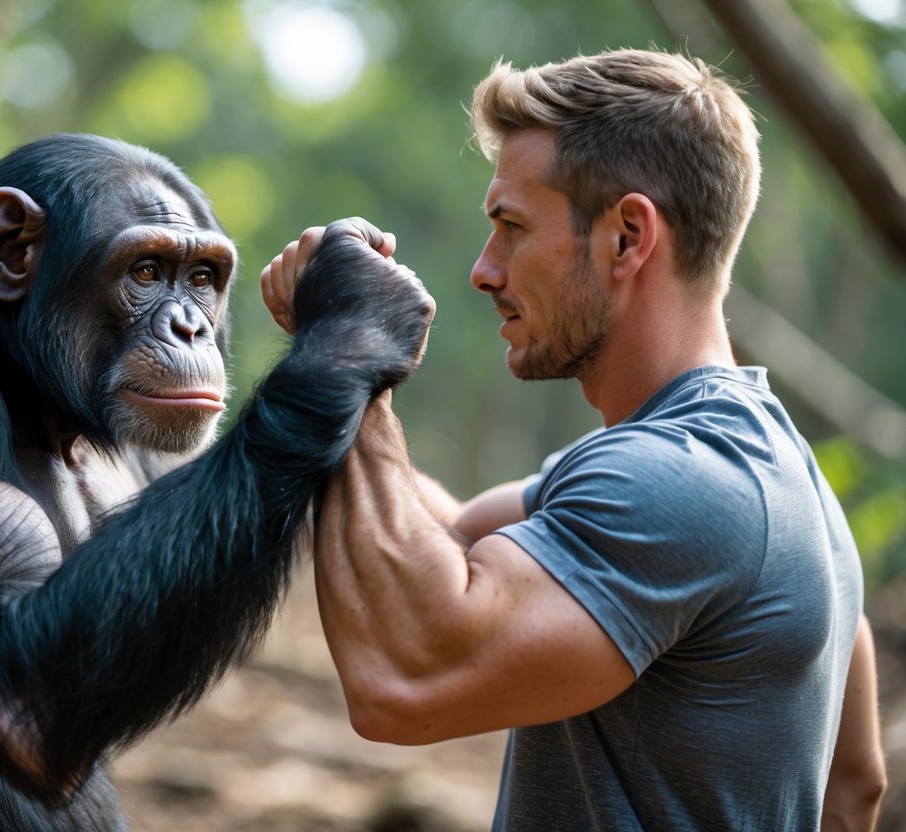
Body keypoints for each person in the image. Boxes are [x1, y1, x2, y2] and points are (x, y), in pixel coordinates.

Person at [260, 48, 886, 831]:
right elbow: (854, 788)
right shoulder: (778, 482)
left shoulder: (687, 482)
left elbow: (403, 675)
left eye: (511, 228)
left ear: (627, 237)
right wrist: (357, 368)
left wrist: (344, 350)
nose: (482, 271)